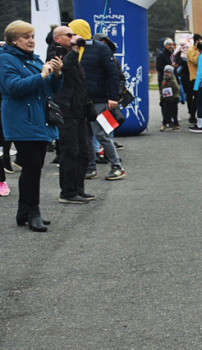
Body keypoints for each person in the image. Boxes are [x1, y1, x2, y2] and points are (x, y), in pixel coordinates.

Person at [0, 20, 63, 231]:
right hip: (21, 120)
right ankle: (33, 212)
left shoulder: (34, 59)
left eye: (32, 36)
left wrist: (56, 74)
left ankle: (23, 212)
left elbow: (50, 88)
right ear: (13, 40)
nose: (31, 41)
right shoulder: (5, 59)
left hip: (38, 120)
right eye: (25, 37)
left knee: (31, 167)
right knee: (33, 167)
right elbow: (12, 87)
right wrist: (41, 75)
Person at [68, 19, 124, 181]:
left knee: (101, 134)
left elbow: (113, 74)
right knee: (85, 135)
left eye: (73, 33)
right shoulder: (72, 50)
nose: (71, 36)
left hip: (100, 99)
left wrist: (113, 97)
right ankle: (90, 167)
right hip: (81, 100)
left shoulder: (100, 48)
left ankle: (117, 166)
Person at [51, 25, 93, 204]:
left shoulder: (73, 56)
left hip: (79, 112)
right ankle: (67, 192)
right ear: (57, 38)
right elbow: (63, 71)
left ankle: (78, 189)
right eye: (68, 35)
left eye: (73, 35)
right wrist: (75, 49)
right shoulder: (55, 55)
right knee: (70, 152)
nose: (72, 38)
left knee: (84, 152)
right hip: (65, 112)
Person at [174, 35, 197, 123]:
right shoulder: (181, 53)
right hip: (185, 75)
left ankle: (193, 112)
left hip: (193, 74)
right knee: (189, 94)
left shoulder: (193, 51)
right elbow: (176, 57)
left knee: (193, 95)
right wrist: (185, 62)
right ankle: (191, 112)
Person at [159, 65, 180, 131]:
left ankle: (176, 125)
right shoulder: (164, 80)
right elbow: (162, 90)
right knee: (165, 113)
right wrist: (161, 99)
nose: (166, 74)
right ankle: (164, 124)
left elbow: (176, 90)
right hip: (165, 99)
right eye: (165, 72)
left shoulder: (173, 81)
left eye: (168, 72)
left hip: (172, 100)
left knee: (174, 113)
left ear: (171, 73)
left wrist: (176, 98)